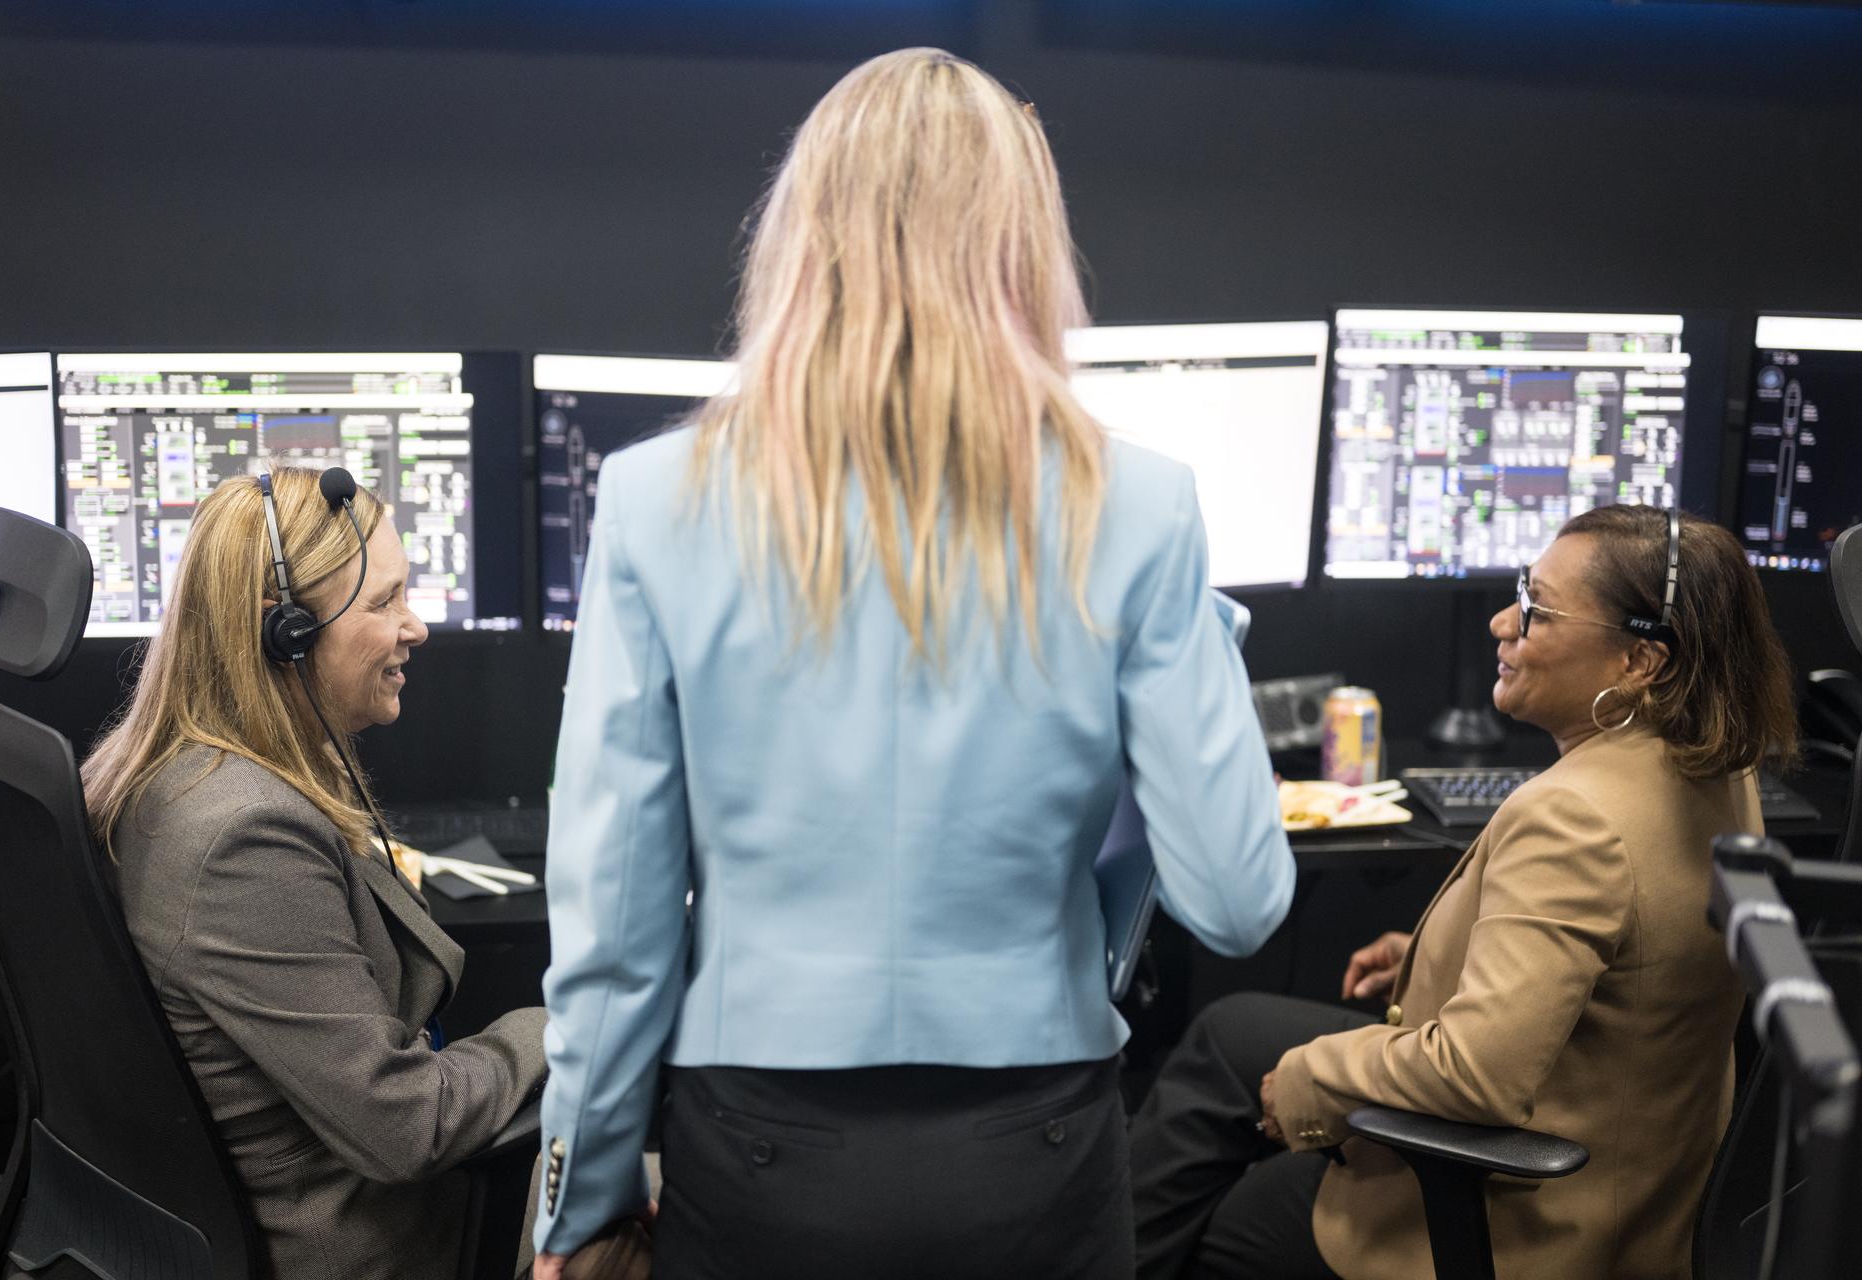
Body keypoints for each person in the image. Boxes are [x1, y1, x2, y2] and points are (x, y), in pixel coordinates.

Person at [532, 47, 1296, 1280]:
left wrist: (584, 1196)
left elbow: (614, 923)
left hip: (758, 1145)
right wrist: (1184, 631)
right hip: (1036, 1147)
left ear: (798, 237)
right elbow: (1239, 897)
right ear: (1025, 244)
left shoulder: (654, 500)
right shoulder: (1142, 508)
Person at [1129, 504, 1800, 1280]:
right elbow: (1639, 953)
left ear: (1639, 662)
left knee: (1230, 1223)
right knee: (1231, 1032)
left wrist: (1312, 1083)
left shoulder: (1570, 817)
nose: (1500, 622)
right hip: (1648, 1190)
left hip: (1533, 1229)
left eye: (1538, 610)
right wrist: (1439, 951)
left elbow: (1478, 1076)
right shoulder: (1719, 765)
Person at [84, 467, 549, 1280]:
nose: (417, 628)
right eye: (383, 603)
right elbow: (406, 1125)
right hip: (367, 1243)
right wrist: (574, 1027)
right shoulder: (243, 833)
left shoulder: (189, 772)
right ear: (286, 632)